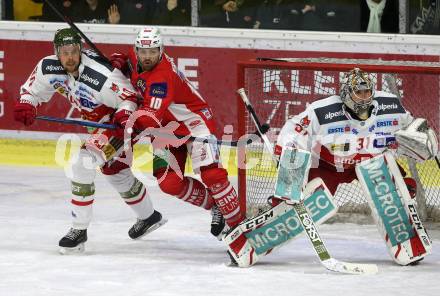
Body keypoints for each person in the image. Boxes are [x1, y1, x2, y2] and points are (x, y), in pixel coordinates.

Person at [14, 28, 165, 253]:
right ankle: (149, 217)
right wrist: (27, 103)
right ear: (56, 52)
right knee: (116, 172)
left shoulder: (99, 76)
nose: (70, 57)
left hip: (119, 124)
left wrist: (124, 114)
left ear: (81, 50)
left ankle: (79, 231)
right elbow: (30, 90)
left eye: (74, 51)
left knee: (82, 162)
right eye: (64, 52)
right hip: (101, 125)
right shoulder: (48, 67)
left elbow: (131, 98)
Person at [110, 26, 245, 239]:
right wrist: (120, 62)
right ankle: (215, 205)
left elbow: (148, 116)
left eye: (153, 52)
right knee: (169, 183)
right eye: (143, 52)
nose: (147, 56)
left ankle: (240, 225)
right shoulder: (136, 58)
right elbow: (129, 61)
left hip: (193, 124)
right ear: (136, 50)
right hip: (165, 131)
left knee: (212, 175)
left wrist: (127, 120)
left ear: (161, 50)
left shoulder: (163, 76)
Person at [275, 67, 437, 198]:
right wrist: (288, 163)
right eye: (358, 92)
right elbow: (295, 130)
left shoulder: (390, 106)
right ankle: (274, 218)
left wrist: (423, 142)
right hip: (330, 167)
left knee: (404, 192)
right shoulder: (322, 111)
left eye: (367, 91)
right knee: (308, 204)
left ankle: (409, 235)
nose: (364, 97)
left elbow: (413, 129)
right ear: (346, 93)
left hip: (374, 166)